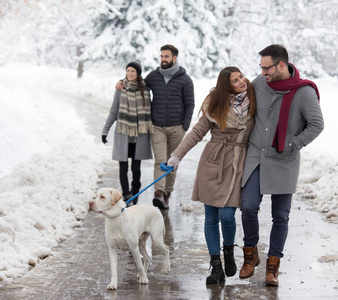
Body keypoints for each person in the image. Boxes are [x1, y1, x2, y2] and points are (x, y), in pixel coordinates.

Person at [239, 44, 324, 286]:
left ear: (281, 65)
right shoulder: (259, 82)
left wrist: (292, 144)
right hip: (256, 156)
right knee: (248, 207)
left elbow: (317, 124)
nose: (263, 72)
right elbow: (237, 99)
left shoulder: (304, 92)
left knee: (280, 216)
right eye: (261, 68)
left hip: (284, 161)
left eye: (267, 68)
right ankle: (250, 253)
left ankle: (272, 267)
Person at [166, 67, 256, 284]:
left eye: (241, 76)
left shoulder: (254, 98)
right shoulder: (215, 102)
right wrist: (176, 156)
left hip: (237, 161)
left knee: (227, 215)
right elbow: (197, 132)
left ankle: (228, 253)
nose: (242, 81)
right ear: (227, 85)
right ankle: (216, 265)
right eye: (236, 80)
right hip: (213, 160)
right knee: (210, 217)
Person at [116, 44, 195, 210]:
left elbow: (190, 104)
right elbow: (136, 83)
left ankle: (167, 194)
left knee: (172, 163)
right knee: (160, 160)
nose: (163, 60)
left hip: (177, 128)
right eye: (161, 56)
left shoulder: (185, 80)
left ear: (174, 58)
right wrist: (121, 82)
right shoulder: (154, 76)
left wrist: (184, 126)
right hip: (157, 126)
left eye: (166, 57)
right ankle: (158, 194)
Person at [103, 60, 153, 205]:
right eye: (128, 70)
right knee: (123, 168)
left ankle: (135, 193)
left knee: (136, 169)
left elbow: (150, 110)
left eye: (133, 71)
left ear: (138, 73)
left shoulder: (145, 89)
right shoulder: (120, 89)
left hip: (139, 136)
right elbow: (114, 111)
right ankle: (126, 195)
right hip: (123, 134)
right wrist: (105, 130)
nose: (129, 73)